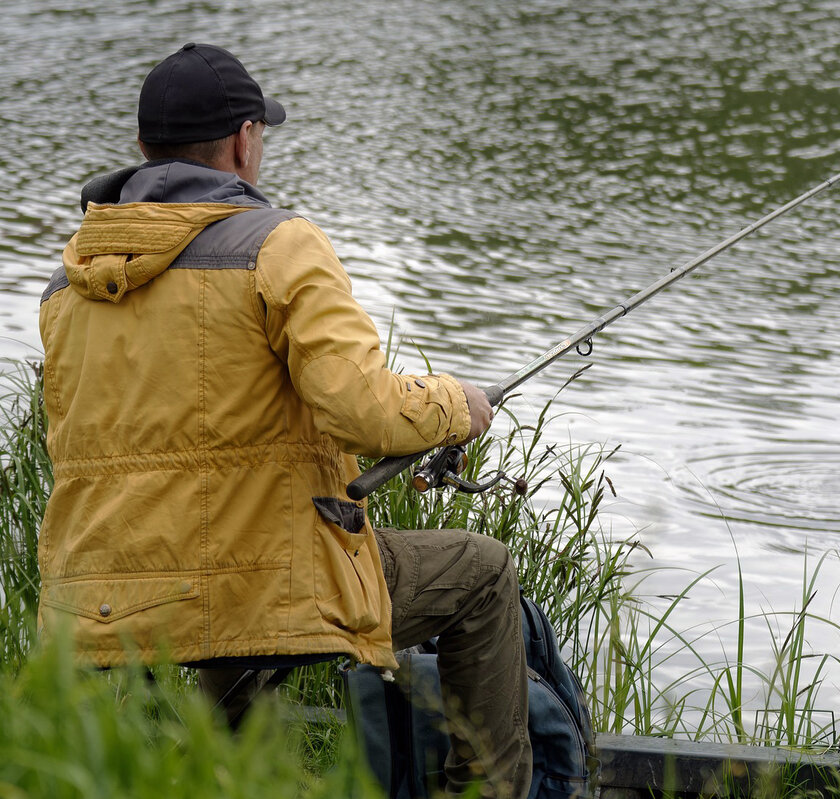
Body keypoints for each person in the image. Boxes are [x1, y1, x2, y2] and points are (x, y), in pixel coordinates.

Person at [36, 43, 530, 798]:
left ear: (141, 150)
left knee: (231, 660)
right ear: (244, 140)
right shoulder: (277, 246)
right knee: (482, 573)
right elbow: (361, 409)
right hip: (250, 583)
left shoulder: (68, 284)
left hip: (103, 596)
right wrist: (458, 405)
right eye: (261, 135)